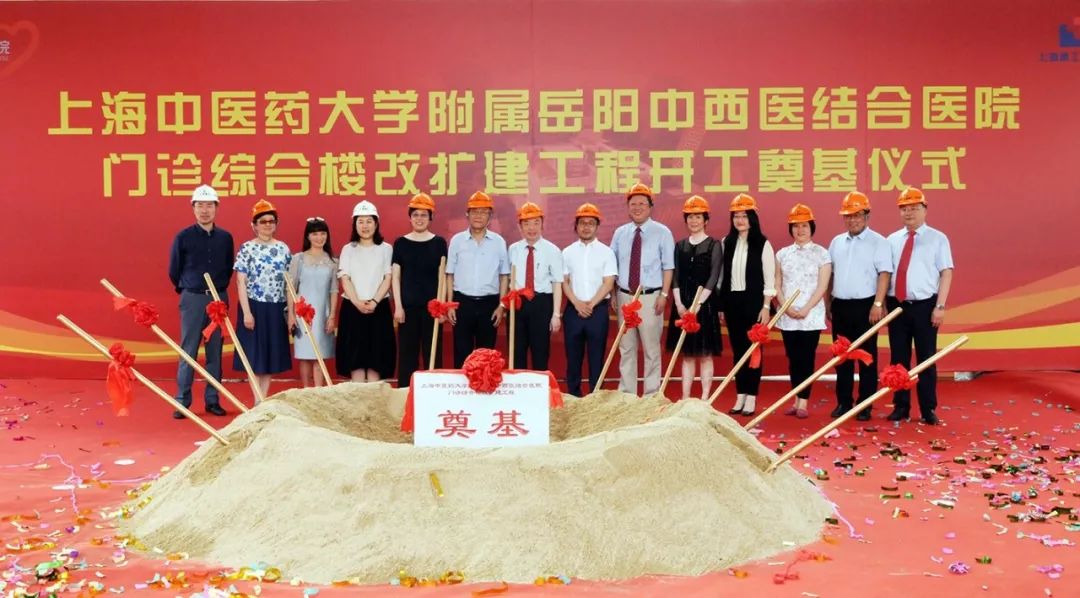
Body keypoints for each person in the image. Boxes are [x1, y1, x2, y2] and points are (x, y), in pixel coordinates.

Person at [885, 187, 954, 425]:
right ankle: (900, 406)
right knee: (898, 359)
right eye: (904, 209)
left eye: (914, 208)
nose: (909, 213)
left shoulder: (938, 238)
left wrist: (940, 306)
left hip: (925, 306)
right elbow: (886, 273)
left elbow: (946, 273)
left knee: (926, 358)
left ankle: (928, 409)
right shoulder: (892, 240)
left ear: (925, 210)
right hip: (897, 305)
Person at [167, 184, 233, 419]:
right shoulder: (183, 237)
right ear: (193, 208)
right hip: (193, 298)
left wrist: (218, 292)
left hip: (218, 299)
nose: (205, 210)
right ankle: (182, 401)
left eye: (209, 205)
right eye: (200, 205)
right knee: (189, 350)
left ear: (216, 208)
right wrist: (189, 290)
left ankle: (212, 400)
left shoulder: (225, 238)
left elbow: (228, 267)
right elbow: (174, 270)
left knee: (215, 352)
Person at [827, 191, 892, 421]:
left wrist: (878, 303)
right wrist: (828, 303)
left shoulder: (879, 242)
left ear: (867, 216)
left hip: (866, 307)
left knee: (867, 358)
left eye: (857, 215)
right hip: (840, 306)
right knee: (841, 357)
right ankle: (843, 402)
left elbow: (884, 274)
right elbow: (830, 274)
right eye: (848, 216)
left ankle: (865, 405)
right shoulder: (836, 242)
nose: (852, 220)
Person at [611, 183, 675, 396]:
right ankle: (627, 393)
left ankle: (651, 394)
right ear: (628, 207)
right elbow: (613, 267)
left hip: (650, 298)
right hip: (624, 296)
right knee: (626, 347)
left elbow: (668, 267)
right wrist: (613, 294)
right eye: (633, 204)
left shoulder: (662, 232)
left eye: (642, 204)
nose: (637, 207)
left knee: (651, 348)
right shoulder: (620, 233)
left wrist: (664, 294)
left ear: (650, 207)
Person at [716, 193, 776, 416]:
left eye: (744, 215)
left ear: (752, 217)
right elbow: (722, 277)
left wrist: (766, 307)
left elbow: (769, 279)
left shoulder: (763, 243)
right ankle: (740, 395)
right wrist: (721, 306)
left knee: (754, 351)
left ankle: (751, 396)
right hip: (733, 303)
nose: (740, 220)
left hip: (754, 304)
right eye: (736, 216)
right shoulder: (726, 242)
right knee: (738, 351)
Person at [774, 204, 832, 418]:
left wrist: (806, 308)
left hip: (811, 315)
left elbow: (823, 286)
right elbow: (777, 283)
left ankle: (804, 402)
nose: (800, 230)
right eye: (796, 226)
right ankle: (796, 398)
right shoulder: (782, 254)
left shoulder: (822, 254)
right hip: (787, 315)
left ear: (811, 227)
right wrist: (785, 307)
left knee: (806, 358)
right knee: (793, 357)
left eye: (804, 226)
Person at [664, 195, 723, 401]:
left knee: (705, 354)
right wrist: (680, 304)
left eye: (698, 216)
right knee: (687, 355)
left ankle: (705, 398)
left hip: (704, 306)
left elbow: (713, 277)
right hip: (683, 304)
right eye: (690, 217)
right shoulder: (680, 246)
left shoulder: (714, 245)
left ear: (706, 220)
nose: (694, 221)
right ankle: (686, 397)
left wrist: (697, 305)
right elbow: (675, 276)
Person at [233, 199, 293, 400]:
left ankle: (263, 399)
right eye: (263, 221)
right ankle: (257, 400)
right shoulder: (247, 248)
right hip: (254, 306)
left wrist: (291, 313)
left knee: (269, 357)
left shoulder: (283, 249)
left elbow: (289, 284)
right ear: (254, 225)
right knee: (254, 357)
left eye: (271, 221)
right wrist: (247, 312)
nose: (268, 225)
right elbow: (240, 282)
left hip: (276, 307)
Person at [446, 191, 510, 368]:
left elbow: (504, 275)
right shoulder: (457, 241)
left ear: (490, 217)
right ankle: (462, 385)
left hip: (489, 304)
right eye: (474, 211)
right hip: (462, 303)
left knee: (486, 356)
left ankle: (484, 385)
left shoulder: (498, 242)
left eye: (483, 212)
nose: (479, 216)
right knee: (462, 354)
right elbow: (449, 274)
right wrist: (450, 304)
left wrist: (501, 305)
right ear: (467, 214)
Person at [391, 193, 448, 387]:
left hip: (433, 311)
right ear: (410, 217)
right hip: (408, 310)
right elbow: (396, 276)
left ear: (431, 218)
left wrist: (442, 307)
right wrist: (398, 307)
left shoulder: (439, 243)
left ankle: (434, 393)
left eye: (424, 215)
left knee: (433, 355)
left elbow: (443, 277)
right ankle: (406, 394)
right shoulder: (401, 243)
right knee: (407, 356)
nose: (419, 219)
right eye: (415, 215)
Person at [336, 200, 395, 382]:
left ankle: (373, 397)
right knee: (356, 358)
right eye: (360, 221)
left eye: (369, 221)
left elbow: (388, 278)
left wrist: (374, 302)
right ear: (355, 224)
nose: (365, 226)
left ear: (376, 224)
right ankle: (358, 396)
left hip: (379, 308)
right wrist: (357, 302)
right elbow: (345, 278)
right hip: (353, 308)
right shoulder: (348, 249)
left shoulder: (386, 249)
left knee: (377, 358)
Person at [562, 203, 617, 396]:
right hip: (573, 310)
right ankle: (573, 395)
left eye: (591, 223)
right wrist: (577, 303)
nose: (586, 227)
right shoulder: (567, 252)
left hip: (598, 310)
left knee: (596, 357)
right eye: (582, 223)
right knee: (573, 357)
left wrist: (591, 304)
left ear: (597, 226)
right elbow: (564, 281)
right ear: (576, 226)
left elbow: (608, 283)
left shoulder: (606, 252)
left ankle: (596, 396)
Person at [507, 202, 563, 370]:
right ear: (520, 227)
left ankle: (539, 385)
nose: (531, 228)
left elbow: (557, 283)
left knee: (540, 352)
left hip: (541, 303)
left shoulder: (552, 250)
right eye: (526, 223)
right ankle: (519, 385)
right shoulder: (513, 249)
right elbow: (507, 279)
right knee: (516, 352)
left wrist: (556, 314)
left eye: (536, 223)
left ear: (542, 224)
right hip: (517, 303)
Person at [287, 217, 338, 387]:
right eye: (315, 234)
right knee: (305, 355)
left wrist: (332, 316)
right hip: (303, 313)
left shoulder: (332, 261)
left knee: (320, 355)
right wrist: (291, 315)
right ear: (308, 236)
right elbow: (290, 288)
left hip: (323, 313)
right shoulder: (299, 259)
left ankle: (318, 392)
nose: (319, 237)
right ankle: (306, 391)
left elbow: (334, 290)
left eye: (323, 233)